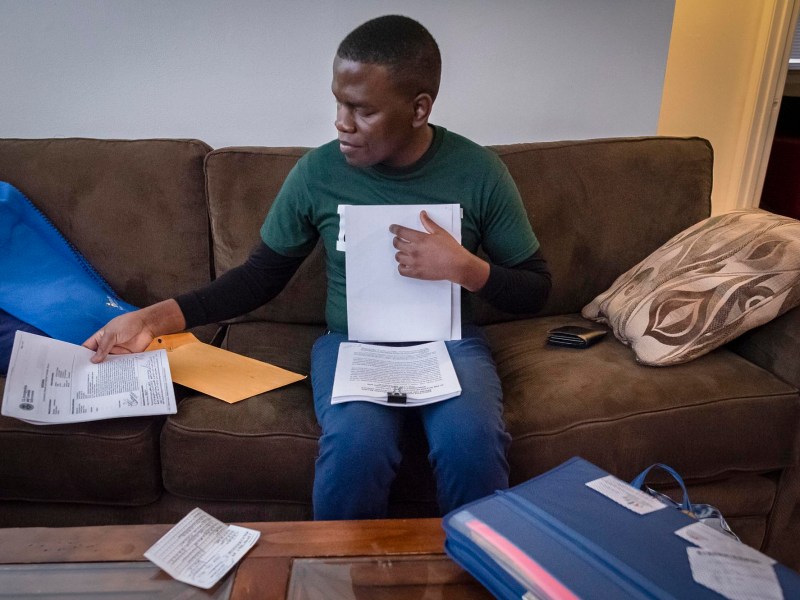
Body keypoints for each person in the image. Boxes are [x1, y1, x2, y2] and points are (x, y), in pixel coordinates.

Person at [84, 15, 551, 520]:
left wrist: (467, 268)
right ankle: (335, 578)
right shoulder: (318, 173)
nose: (341, 122)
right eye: (338, 102)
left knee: (470, 441)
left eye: (362, 110)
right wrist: (149, 320)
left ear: (419, 109)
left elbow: (536, 288)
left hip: (450, 343)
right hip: (353, 344)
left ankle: (482, 570)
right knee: (356, 446)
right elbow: (258, 278)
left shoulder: (478, 172)